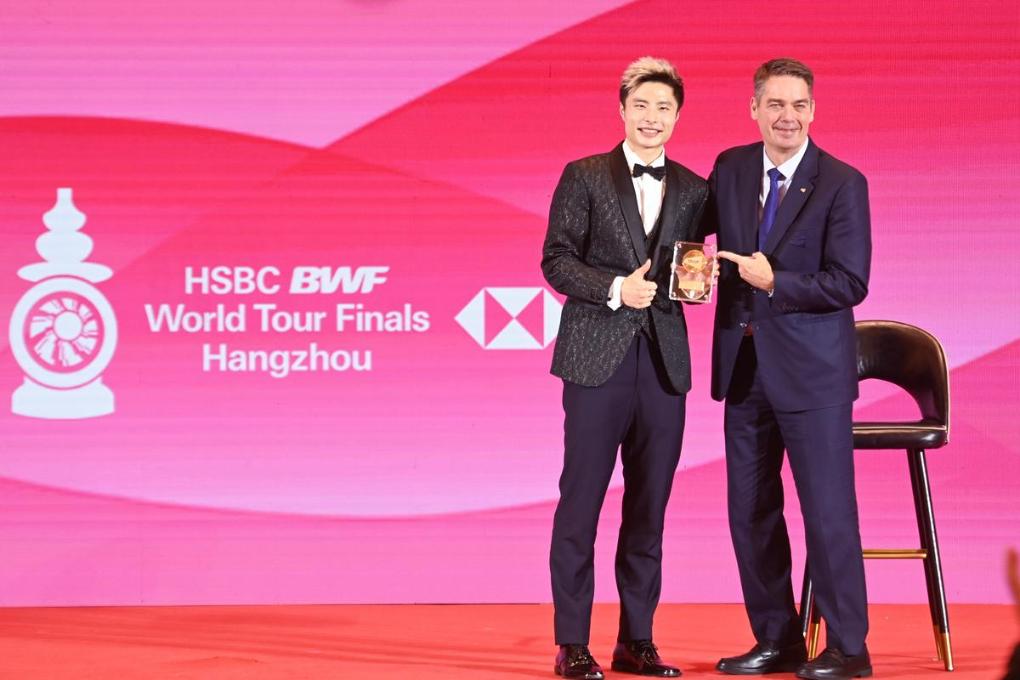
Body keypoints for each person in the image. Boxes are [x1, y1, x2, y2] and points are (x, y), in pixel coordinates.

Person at [701, 58, 873, 679]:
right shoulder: (731, 167)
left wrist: (776, 282)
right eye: (775, 104)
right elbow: (690, 235)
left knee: (827, 512)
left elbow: (850, 282)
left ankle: (849, 648)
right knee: (749, 512)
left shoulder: (842, 182)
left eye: (799, 105)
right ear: (753, 108)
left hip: (814, 377)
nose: (787, 116)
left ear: (813, 111)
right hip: (744, 369)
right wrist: (687, 270)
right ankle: (777, 639)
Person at [542, 56, 707, 679]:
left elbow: (696, 262)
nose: (652, 117)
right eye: (642, 105)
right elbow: (556, 260)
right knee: (580, 500)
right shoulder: (583, 175)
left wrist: (700, 281)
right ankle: (572, 642)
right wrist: (615, 289)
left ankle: (637, 639)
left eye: (664, 107)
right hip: (595, 360)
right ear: (621, 109)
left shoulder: (694, 188)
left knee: (650, 505)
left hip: (664, 364)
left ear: (678, 116)